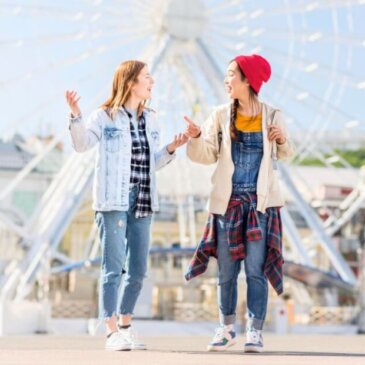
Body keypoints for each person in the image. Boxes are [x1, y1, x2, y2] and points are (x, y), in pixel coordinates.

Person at [66, 60, 188, 351]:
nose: (152, 82)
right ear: (131, 82)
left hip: (143, 198)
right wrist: (75, 116)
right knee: (113, 267)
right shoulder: (105, 116)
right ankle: (110, 332)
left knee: (138, 270)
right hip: (113, 200)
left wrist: (172, 148)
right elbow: (82, 144)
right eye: (147, 77)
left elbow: (151, 164)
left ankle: (125, 325)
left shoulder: (152, 120)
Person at [184, 54, 294, 353]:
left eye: (232, 74)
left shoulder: (273, 115)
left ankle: (255, 331)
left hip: (260, 205)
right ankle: (226, 328)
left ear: (248, 80)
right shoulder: (219, 115)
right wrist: (195, 137)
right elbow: (205, 155)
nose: (226, 79)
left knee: (256, 271)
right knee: (227, 272)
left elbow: (286, 153)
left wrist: (281, 140)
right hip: (228, 203)